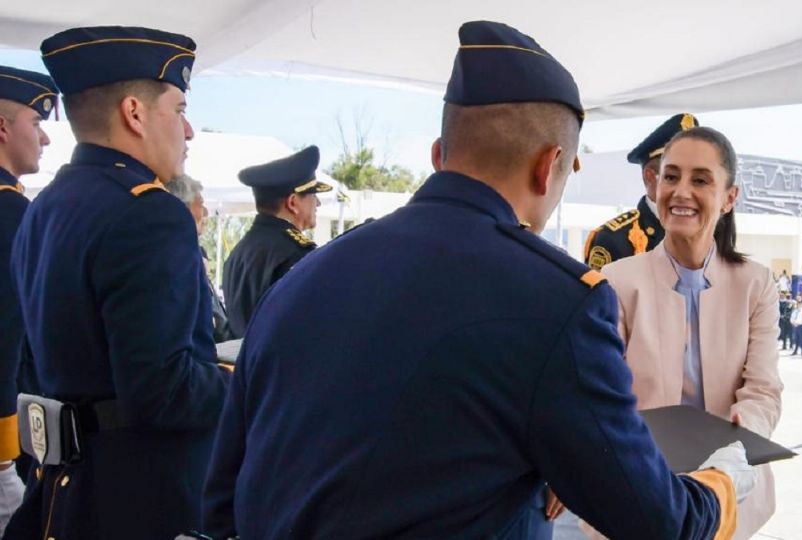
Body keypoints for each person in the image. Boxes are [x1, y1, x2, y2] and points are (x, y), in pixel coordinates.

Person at [202, 21, 753, 540]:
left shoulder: (306, 278)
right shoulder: (558, 302)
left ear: (439, 155)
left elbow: (222, 499)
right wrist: (724, 483)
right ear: (548, 166)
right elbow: (657, 521)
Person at [6, 27, 231, 539]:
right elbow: (164, 391)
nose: (189, 129)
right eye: (178, 109)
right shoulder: (150, 214)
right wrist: (251, 381)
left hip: (70, 487)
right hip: (142, 496)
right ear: (134, 113)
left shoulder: (45, 208)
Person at [601, 125, 782, 538]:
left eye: (700, 180)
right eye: (671, 176)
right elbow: (604, 396)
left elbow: (763, 389)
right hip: (638, 491)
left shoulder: (755, 283)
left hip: (730, 494)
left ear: (730, 197)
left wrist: (735, 453)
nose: (681, 191)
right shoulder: (615, 281)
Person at [0, 65, 57, 536]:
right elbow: (6, 334)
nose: (45, 140)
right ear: (2, 127)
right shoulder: (10, 211)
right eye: (35, 124)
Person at [221, 146, 332, 338]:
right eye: (314, 196)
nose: (318, 204)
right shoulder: (295, 253)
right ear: (293, 203)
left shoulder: (239, 252)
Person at [582, 113, 698, 270]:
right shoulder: (615, 239)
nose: (686, 190)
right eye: (673, 177)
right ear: (650, 177)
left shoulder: (707, 230)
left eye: (696, 179)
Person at [167, 173, 230, 342]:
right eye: (200, 204)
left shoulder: (193, 252)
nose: (206, 212)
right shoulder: (177, 256)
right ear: (182, 208)